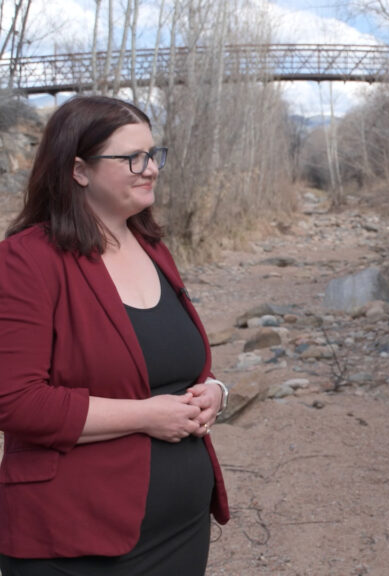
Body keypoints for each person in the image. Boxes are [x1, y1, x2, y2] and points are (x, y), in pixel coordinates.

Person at [0, 95, 230, 574]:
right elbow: (15, 401)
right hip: (75, 540)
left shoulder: (151, 245)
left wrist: (215, 392)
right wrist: (146, 416)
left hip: (180, 531)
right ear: (79, 170)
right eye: (132, 158)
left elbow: (170, 361)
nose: (151, 169)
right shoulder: (27, 260)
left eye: (153, 154)